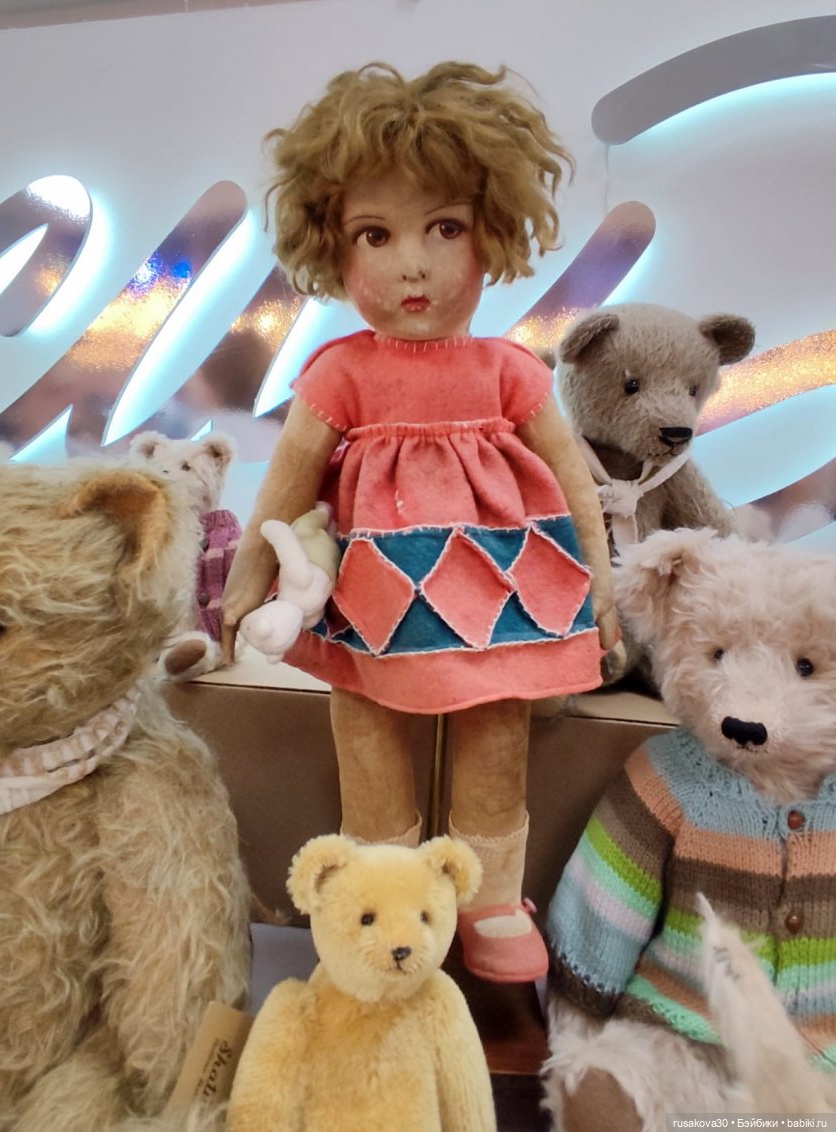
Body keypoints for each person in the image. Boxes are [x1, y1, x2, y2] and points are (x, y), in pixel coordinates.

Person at [222, 61, 617, 983]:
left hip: (499, 589)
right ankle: (383, 894)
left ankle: (487, 896)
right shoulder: (339, 373)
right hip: (374, 595)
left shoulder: (510, 370)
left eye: (446, 228)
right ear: (333, 245)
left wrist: (600, 578)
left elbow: (573, 479)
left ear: (493, 231)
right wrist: (245, 582)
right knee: (363, 722)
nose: (413, 263)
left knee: (496, 724)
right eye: (376, 233)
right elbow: (286, 483)